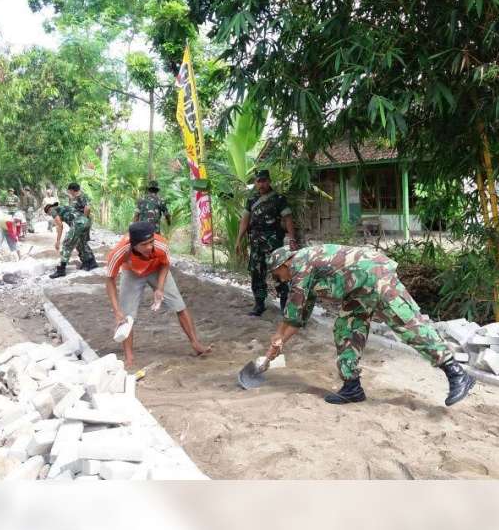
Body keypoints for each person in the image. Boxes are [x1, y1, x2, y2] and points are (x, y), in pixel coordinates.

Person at [254, 244, 476, 407]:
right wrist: (277, 341)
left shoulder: (300, 269)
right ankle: (352, 387)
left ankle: (456, 372)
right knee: (346, 328)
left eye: (277, 274)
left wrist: (278, 342)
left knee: (408, 324)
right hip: (357, 288)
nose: (279, 279)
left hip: (373, 276)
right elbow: (297, 315)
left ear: (284, 264)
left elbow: (292, 320)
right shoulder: (303, 268)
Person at [105, 222, 212, 369]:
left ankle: (196, 344)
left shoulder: (161, 245)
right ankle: (129, 357)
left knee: (179, 305)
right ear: (133, 245)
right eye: (144, 244)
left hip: (156, 269)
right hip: (132, 272)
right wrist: (117, 312)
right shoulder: (119, 252)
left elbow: (165, 264)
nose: (149, 246)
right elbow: (110, 280)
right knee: (126, 316)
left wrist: (160, 288)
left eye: (151, 242)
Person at [235, 169, 297, 317]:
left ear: (269, 181)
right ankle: (259, 304)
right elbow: (245, 221)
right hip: (256, 244)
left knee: (280, 274)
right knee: (256, 273)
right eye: (259, 181)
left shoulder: (279, 199)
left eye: (264, 181)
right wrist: (239, 240)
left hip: (274, 243)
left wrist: (292, 238)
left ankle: (284, 305)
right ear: (255, 183)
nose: (261, 184)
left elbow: (287, 218)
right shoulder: (251, 200)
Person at [44, 198, 99, 278]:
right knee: (81, 243)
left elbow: (60, 225)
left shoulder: (52, 210)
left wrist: (58, 241)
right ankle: (90, 262)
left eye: (49, 214)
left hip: (78, 223)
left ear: (48, 210)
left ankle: (61, 270)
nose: (50, 215)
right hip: (86, 221)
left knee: (67, 244)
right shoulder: (62, 208)